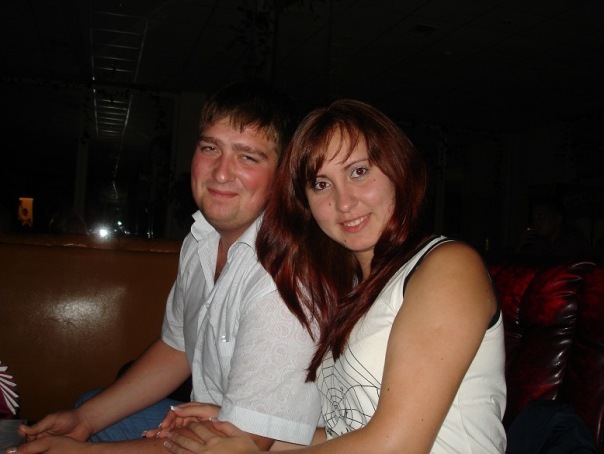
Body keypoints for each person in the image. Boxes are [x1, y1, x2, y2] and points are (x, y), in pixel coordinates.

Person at [157, 99, 507, 453]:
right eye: (322, 184)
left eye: (359, 172)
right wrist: (236, 429)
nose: (344, 202)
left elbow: (397, 445)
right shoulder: (353, 291)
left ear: (398, 169)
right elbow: (346, 436)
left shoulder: (449, 267)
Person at [10, 80, 321, 453]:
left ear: (283, 175)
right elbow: (178, 348)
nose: (221, 173)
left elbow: (244, 440)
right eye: (210, 148)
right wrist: (85, 420)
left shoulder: (290, 275)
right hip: (214, 425)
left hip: (255, 444)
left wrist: (86, 452)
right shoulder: (200, 240)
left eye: (248, 157)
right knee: (87, 408)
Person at [515, 197, 593, 259]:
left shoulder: (573, 240)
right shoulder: (538, 242)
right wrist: (519, 247)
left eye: (540, 217)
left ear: (557, 219)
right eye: (533, 219)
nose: (535, 222)